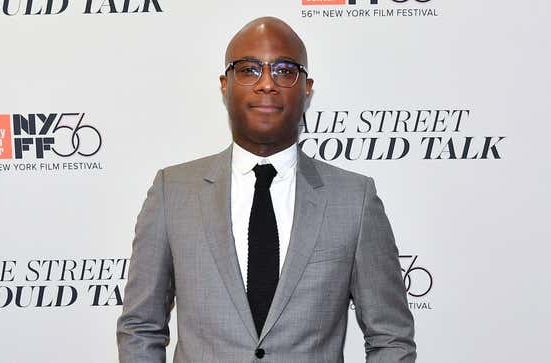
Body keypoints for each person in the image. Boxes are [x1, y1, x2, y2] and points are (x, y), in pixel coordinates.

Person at [116, 16, 416, 363]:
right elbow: (140, 327)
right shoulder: (173, 192)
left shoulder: (354, 199)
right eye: (248, 69)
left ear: (306, 87)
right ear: (225, 85)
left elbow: (391, 337)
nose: (267, 84)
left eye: (285, 70)